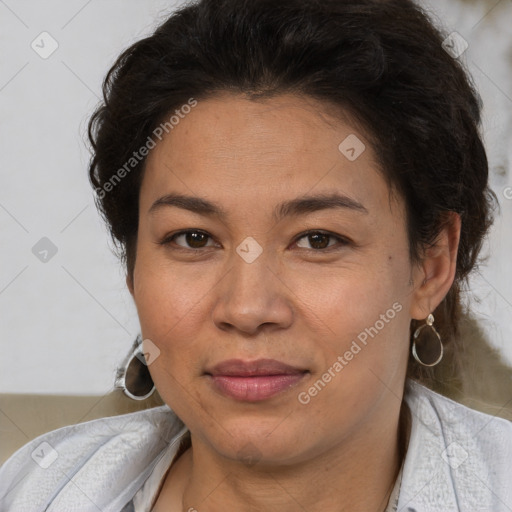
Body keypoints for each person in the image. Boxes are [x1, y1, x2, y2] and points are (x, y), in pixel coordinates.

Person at [1, 0, 511, 510]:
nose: (247, 309)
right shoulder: (36, 487)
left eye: (318, 239)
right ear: (133, 266)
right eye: (193, 239)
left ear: (432, 265)